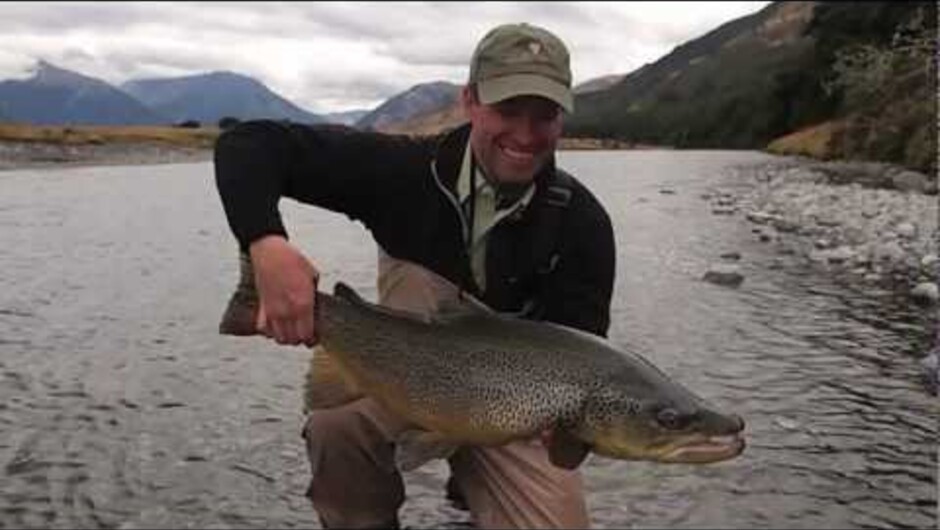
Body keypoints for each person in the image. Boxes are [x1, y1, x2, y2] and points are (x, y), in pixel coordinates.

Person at [214, 22, 615, 529]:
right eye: (508, 110)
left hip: (516, 418)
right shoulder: (403, 172)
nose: (526, 134)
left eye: (545, 115)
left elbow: (583, 349)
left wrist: (568, 435)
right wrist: (265, 242)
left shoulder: (583, 223)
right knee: (335, 429)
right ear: (470, 102)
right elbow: (248, 145)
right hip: (405, 374)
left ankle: (469, 480)